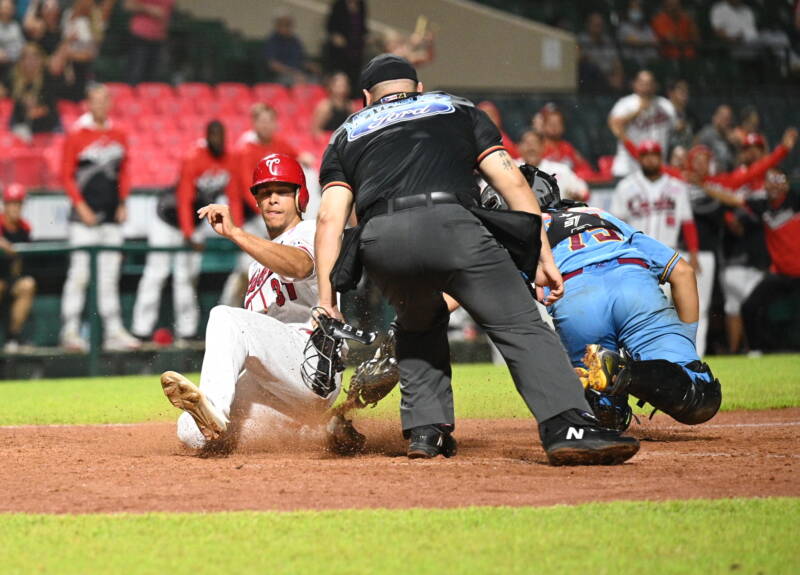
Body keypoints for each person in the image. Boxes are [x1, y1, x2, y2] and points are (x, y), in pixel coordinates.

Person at [315, 54, 639, 465]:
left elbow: (330, 219)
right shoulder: (457, 108)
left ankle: (426, 431)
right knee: (519, 323)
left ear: (365, 98)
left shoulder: (345, 132)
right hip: (451, 224)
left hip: (382, 240)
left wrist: (326, 301)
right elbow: (511, 182)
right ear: (418, 88)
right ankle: (568, 425)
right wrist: (540, 250)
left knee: (418, 321)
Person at [496, 171, 721, 432]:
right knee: (700, 394)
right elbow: (683, 272)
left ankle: (603, 387)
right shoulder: (598, 214)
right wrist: (681, 355)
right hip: (634, 285)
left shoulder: (518, 234)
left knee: (606, 416)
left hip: (576, 299)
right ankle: (626, 372)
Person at [159, 153, 344, 453]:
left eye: (282, 191)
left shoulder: (313, 232)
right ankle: (322, 433)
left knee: (224, 317)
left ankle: (216, 408)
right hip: (277, 382)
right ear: (256, 202)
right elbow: (253, 340)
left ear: (301, 197)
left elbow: (299, 266)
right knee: (191, 431)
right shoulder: (256, 264)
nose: (272, 199)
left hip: (313, 362)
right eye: (264, 193)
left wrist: (235, 232)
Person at [132, 121, 236, 344]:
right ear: (206, 137)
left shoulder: (229, 159)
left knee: (186, 278)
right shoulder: (194, 156)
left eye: (221, 135)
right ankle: (140, 330)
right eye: (213, 135)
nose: (217, 140)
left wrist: (234, 227)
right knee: (156, 274)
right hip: (167, 219)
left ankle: (187, 332)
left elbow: (233, 194)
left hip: (195, 221)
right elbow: (184, 197)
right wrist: (188, 234)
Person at [60, 83, 139, 352]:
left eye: (105, 100)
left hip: (110, 218)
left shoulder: (118, 133)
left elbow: (125, 171)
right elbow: (65, 175)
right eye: (96, 100)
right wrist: (80, 206)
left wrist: (123, 202)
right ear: (87, 103)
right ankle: (70, 331)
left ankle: (113, 332)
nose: (101, 105)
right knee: (79, 275)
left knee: (109, 277)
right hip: (83, 219)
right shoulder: (77, 134)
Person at [701, 167, 800, 353]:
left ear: (787, 184)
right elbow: (733, 199)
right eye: (770, 181)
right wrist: (704, 186)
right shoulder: (762, 205)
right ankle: (755, 351)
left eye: (779, 180)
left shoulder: (796, 199)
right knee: (749, 307)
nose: (775, 185)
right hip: (781, 272)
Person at [219, 103, 301, 307]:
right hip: (248, 216)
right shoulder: (244, 148)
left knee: (269, 266)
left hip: (269, 214)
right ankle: (227, 309)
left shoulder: (278, 143)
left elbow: (296, 158)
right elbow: (248, 190)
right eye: (262, 121)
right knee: (247, 268)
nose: (267, 126)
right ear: (254, 123)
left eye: (270, 121)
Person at [611, 140, 699, 270]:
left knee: (668, 290)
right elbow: (616, 225)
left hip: (669, 252)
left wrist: (693, 253)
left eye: (654, 155)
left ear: (660, 158)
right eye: (646, 156)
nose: (650, 160)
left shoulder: (678, 187)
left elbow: (688, 224)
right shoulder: (625, 186)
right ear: (639, 159)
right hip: (635, 253)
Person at [720, 133, 771, 354]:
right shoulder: (737, 177)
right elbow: (721, 205)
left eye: (755, 148)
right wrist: (730, 219)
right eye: (747, 148)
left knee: (754, 304)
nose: (751, 152)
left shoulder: (769, 178)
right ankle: (735, 351)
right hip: (734, 249)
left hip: (760, 248)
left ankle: (754, 348)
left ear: (763, 151)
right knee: (732, 305)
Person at [608, 70, 677, 178]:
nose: (646, 87)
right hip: (628, 169)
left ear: (655, 85)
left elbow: (675, 130)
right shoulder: (625, 104)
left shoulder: (666, 106)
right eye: (642, 83)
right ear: (635, 84)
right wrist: (638, 111)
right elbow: (614, 124)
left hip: (657, 170)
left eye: (649, 83)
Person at [0, 182, 36, 352]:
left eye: (18, 203)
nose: (15, 208)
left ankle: (12, 339)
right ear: (5, 204)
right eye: (11, 203)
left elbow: (20, 264)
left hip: (10, 278)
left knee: (27, 284)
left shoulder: (25, 228)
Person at [518, 129, 588, 202]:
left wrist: (578, 195)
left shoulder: (561, 170)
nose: (531, 148)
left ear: (543, 147)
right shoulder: (511, 169)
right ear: (519, 147)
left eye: (535, 143)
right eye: (527, 143)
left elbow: (583, 191)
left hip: (556, 212)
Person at [9, 42, 60, 138]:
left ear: (41, 60)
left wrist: (38, 110)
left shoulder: (48, 79)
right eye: (26, 58)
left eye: (34, 58)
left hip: (46, 127)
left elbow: (51, 107)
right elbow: (15, 112)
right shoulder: (14, 79)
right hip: (20, 127)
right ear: (21, 61)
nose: (30, 62)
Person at [536, 103, 595, 181]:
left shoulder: (568, 148)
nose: (554, 127)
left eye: (558, 123)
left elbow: (586, 170)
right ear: (543, 125)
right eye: (551, 123)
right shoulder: (537, 148)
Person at [124, 0, 174, 84]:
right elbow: (128, 5)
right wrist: (150, 9)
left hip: (159, 38)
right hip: (141, 36)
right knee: (135, 75)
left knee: (154, 78)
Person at [325, 0, 366, 98]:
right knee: (340, 73)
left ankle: (351, 97)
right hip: (340, 48)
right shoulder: (339, 4)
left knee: (355, 76)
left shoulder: (361, 4)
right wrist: (336, 36)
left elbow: (363, 24)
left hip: (356, 47)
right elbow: (331, 25)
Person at [577, 12, 624, 92]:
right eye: (596, 25)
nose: (598, 28)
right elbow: (580, 58)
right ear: (588, 25)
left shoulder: (607, 40)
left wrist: (618, 76)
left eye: (600, 25)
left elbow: (616, 62)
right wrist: (607, 78)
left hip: (610, 75)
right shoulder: (582, 40)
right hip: (595, 76)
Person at [263, 12, 312, 85]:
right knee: (298, 81)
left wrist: (312, 66)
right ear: (277, 26)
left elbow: (303, 60)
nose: (287, 28)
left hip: (299, 73)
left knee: (317, 81)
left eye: (289, 25)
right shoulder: (272, 41)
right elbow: (273, 65)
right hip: (280, 76)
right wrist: (293, 73)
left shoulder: (295, 40)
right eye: (283, 25)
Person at [311, 71, 356, 138]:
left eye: (345, 85)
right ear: (331, 86)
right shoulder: (325, 106)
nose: (343, 88)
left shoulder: (349, 106)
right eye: (339, 85)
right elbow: (315, 130)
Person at [695, 104, 737, 173]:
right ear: (716, 118)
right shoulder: (707, 134)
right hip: (710, 176)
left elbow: (734, 164)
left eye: (729, 119)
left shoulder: (730, 137)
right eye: (724, 118)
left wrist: (736, 146)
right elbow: (695, 153)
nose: (727, 122)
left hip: (726, 177)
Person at [617, 0, 658, 66]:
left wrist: (644, 43)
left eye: (638, 7)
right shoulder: (623, 27)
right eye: (633, 8)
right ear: (628, 10)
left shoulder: (647, 28)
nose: (636, 10)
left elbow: (656, 42)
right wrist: (648, 43)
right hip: (633, 64)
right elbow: (634, 43)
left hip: (650, 62)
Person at [0, 0, 24, 93]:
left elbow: (22, 46)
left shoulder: (16, 26)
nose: (6, 11)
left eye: (9, 8)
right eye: (4, 8)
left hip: (15, 62)